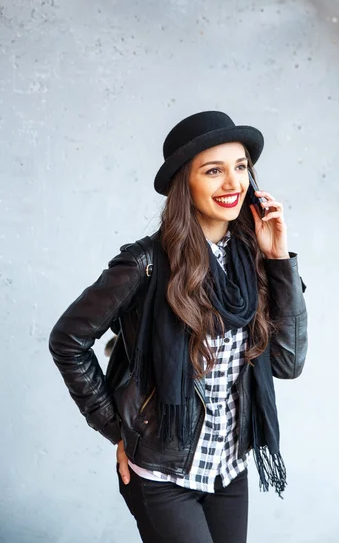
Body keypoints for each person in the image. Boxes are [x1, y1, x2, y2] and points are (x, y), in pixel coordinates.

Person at [49, 110, 308, 543]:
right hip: (162, 474)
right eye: (213, 171)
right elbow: (68, 341)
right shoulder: (144, 264)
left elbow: (287, 363)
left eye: (241, 167)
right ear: (184, 184)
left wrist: (279, 259)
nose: (233, 183)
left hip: (229, 468)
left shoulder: (255, 261)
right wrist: (120, 429)